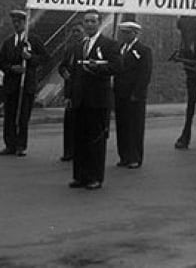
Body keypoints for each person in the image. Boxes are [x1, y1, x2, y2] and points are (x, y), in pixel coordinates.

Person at [58, 10, 121, 190]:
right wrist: (69, 96)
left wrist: (98, 68)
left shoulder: (109, 45)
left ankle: (95, 177)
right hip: (79, 100)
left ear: (99, 23)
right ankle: (80, 176)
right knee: (79, 140)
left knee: (96, 140)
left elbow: (117, 66)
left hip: (97, 100)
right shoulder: (79, 47)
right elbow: (73, 75)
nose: (89, 25)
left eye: (93, 21)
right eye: (86, 21)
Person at [0, 10, 48, 157]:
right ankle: (9, 145)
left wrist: (30, 58)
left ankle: (21, 145)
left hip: (26, 85)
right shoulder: (8, 42)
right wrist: (12, 68)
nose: (16, 24)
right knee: (10, 116)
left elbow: (45, 58)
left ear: (25, 23)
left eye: (19, 21)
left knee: (23, 116)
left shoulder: (33, 40)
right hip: (11, 84)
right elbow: (1, 62)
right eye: (14, 22)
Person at [113, 21, 153, 169]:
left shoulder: (143, 50)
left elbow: (145, 74)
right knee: (122, 126)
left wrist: (137, 93)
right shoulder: (119, 49)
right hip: (120, 94)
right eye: (122, 32)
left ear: (135, 33)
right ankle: (124, 156)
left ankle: (135, 157)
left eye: (127, 32)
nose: (124, 35)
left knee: (135, 127)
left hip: (134, 95)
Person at [59, 21, 86, 162]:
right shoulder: (69, 49)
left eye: (78, 31)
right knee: (69, 123)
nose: (75, 34)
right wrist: (63, 72)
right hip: (70, 90)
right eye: (73, 31)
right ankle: (68, 151)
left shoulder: (87, 48)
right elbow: (62, 66)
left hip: (83, 90)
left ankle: (80, 152)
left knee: (82, 124)